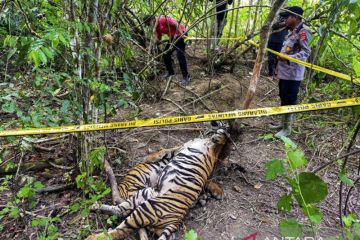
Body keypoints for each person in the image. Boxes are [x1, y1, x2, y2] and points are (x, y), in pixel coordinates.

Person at [273, 6, 312, 138]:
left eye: (288, 17)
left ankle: (287, 128)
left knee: (290, 98)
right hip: (285, 72)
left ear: (295, 17)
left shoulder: (303, 31)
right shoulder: (291, 31)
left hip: (293, 73)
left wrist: (288, 58)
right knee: (283, 96)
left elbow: (306, 52)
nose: (285, 20)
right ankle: (283, 123)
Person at [143, 15, 191, 86]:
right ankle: (170, 73)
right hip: (172, 38)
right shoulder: (156, 27)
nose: (149, 26)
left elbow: (176, 24)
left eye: (148, 24)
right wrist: (150, 46)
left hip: (180, 34)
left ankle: (186, 77)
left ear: (152, 19)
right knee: (166, 54)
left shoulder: (162, 19)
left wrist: (182, 34)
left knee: (180, 55)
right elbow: (158, 39)